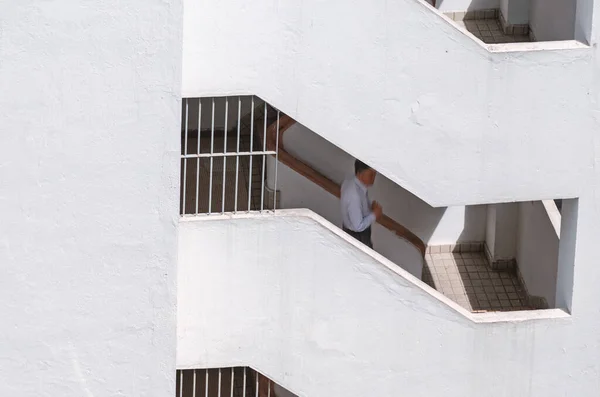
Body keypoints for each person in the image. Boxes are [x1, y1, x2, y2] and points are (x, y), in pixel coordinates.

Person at [340, 159, 383, 249]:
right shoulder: (354, 196)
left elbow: (359, 206)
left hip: (352, 231)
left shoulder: (351, 182)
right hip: (357, 236)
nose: (374, 178)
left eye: (375, 174)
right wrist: (374, 215)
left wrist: (369, 206)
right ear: (360, 174)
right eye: (371, 175)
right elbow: (358, 226)